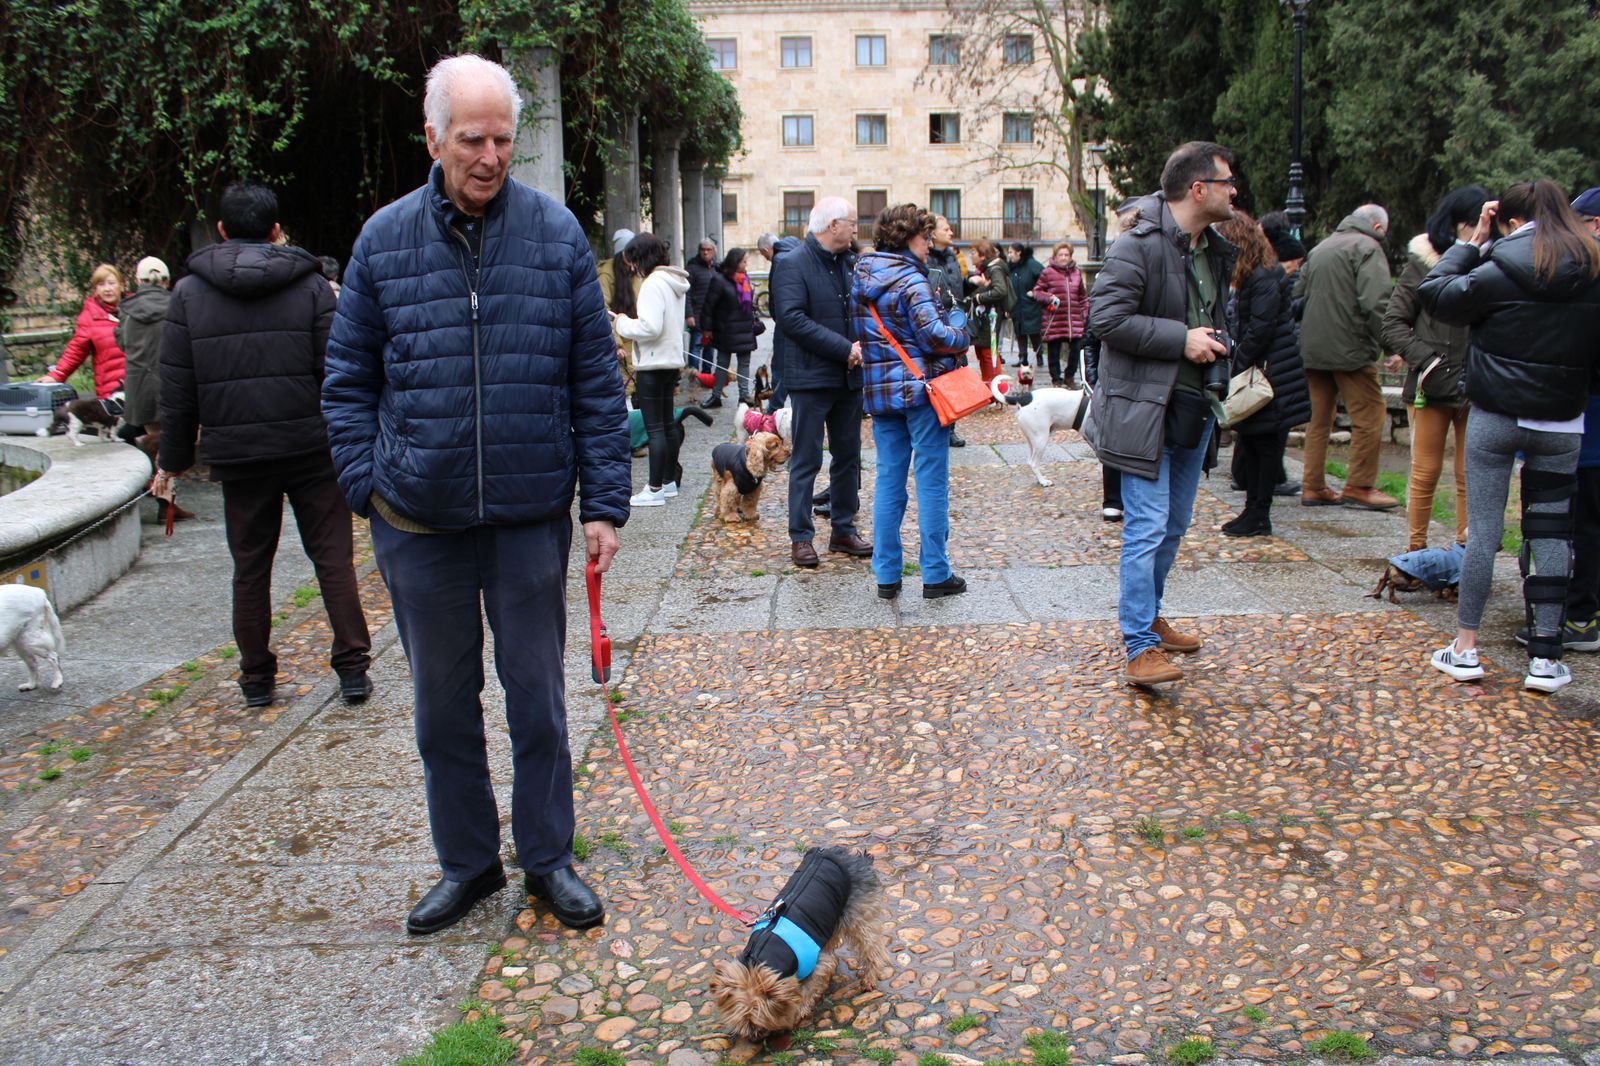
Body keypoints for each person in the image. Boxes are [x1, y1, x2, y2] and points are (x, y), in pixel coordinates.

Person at [321, 54, 629, 936]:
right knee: (441, 711)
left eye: (502, 138)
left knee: (537, 699)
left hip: (530, 518)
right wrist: (366, 486)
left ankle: (548, 858)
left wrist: (603, 502)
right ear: (434, 139)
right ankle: (467, 865)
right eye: (472, 139)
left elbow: (593, 383)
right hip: (418, 522)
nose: (490, 156)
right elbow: (346, 381)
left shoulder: (556, 234)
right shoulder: (383, 241)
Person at [155, 180, 371, 709]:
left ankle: (256, 678)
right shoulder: (312, 287)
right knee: (333, 560)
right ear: (276, 231)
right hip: (310, 446)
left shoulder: (187, 293)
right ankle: (352, 668)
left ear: (222, 230)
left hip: (239, 454)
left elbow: (177, 387)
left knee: (250, 566)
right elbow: (337, 371)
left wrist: (173, 461)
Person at [1419, 180, 1600, 694]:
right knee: (1552, 532)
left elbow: (1434, 294)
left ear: (1505, 218)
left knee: (1483, 528)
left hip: (1495, 413)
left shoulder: (1498, 266)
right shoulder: (1593, 267)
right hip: (1562, 419)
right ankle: (1545, 658)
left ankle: (1466, 648)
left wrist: (1473, 241)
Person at [1081, 141, 1237, 687]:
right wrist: (1182, 340)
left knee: (1172, 527)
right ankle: (1139, 645)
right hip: (1144, 412)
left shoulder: (1213, 248)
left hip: (1194, 410)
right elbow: (1105, 318)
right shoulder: (1138, 245)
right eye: (1226, 182)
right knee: (1146, 528)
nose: (1233, 191)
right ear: (1198, 188)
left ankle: (1149, 616)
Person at [852, 203, 972, 599]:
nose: (927, 244)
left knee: (888, 480)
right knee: (931, 481)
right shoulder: (911, 280)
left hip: (883, 395)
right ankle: (935, 572)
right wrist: (960, 327)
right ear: (907, 238)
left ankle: (887, 573)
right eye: (923, 237)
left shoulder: (864, 277)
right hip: (923, 393)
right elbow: (935, 337)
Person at [1381, 185, 1487, 551]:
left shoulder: (1491, 262)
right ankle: (1415, 553)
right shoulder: (1423, 263)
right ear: (1459, 224)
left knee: (1470, 475)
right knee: (1425, 472)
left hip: (1479, 383)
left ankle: (1465, 555)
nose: (1481, 231)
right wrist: (1429, 361)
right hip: (1432, 384)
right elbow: (1393, 322)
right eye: (1475, 223)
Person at [771, 197, 871, 568]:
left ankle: (843, 529)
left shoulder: (850, 262)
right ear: (833, 225)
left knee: (848, 458)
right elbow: (792, 319)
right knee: (807, 458)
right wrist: (845, 348)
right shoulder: (791, 264)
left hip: (849, 379)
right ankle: (801, 536)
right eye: (852, 223)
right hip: (812, 378)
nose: (856, 229)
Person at [1294, 203, 1399, 511]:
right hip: (1350, 348)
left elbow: (1298, 293)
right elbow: (1376, 303)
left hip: (1314, 347)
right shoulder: (1368, 248)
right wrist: (1392, 346)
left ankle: (1312, 485)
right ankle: (1360, 485)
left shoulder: (1321, 248)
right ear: (1377, 227)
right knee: (1370, 414)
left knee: (1318, 419)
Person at [1216, 210, 1310, 537]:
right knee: (1255, 444)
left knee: (1266, 446)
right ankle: (1252, 510)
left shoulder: (1264, 276)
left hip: (1271, 373)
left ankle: (1259, 514)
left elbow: (1260, 328)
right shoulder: (1255, 274)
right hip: (1264, 369)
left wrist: (1237, 363)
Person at [612, 233, 690, 507]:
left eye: (633, 261)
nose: (632, 268)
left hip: (653, 364)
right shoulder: (673, 281)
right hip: (670, 362)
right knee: (667, 425)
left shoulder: (652, 283)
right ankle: (668, 482)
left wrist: (622, 323)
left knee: (655, 428)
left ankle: (654, 488)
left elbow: (649, 327)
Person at [38, 264, 126, 398]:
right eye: (101, 284)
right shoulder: (89, 317)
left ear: (121, 285)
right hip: (111, 393)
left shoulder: (137, 309)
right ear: (96, 289)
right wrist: (57, 375)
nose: (107, 289)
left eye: (111, 283)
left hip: (140, 387)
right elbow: (75, 351)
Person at [926, 215, 970, 447]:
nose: (951, 233)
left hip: (957, 323)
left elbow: (958, 286)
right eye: (946, 229)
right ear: (933, 234)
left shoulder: (953, 257)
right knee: (940, 375)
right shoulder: (926, 259)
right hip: (938, 323)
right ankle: (939, 424)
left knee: (957, 374)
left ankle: (951, 426)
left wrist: (972, 282)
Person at [701, 247, 764, 407]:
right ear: (735, 262)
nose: (745, 264)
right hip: (725, 330)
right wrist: (707, 329)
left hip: (744, 328)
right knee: (722, 363)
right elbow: (709, 306)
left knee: (744, 363)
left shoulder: (744, 278)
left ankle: (744, 396)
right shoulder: (719, 279)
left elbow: (749, 304)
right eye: (743, 261)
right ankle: (716, 396)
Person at [1030, 242, 1089, 386]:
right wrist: (1049, 297)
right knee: (1053, 352)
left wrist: (1085, 313)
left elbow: (1082, 296)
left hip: (1074, 320)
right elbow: (1036, 292)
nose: (1063, 258)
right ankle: (1056, 379)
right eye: (1060, 255)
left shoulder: (1076, 273)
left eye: (1066, 255)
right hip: (1055, 319)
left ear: (1070, 256)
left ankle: (1070, 377)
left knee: (1075, 350)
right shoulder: (1048, 272)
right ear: (1055, 256)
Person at [759, 231, 801, 414]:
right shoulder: (798, 252)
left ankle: (773, 410)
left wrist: (778, 317)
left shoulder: (779, 259)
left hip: (786, 321)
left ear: (767, 249)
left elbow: (776, 294)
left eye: (763, 255)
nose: (766, 258)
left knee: (781, 366)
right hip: (799, 318)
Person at [965, 238, 1013, 383]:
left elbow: (1000, 290)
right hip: (983, 318)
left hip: (990, 318)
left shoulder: (995, 269)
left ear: (982, 255)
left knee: (989, 354)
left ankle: (997, 390)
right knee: (982, 353)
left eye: (973, 252)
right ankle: (989, 388)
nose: (970, 255)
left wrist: (978, 297)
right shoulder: (985, 269)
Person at [1007, 242, 1044, 372]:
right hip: (1017, 306)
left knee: (1034, 332)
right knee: (1020, 332)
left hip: (1031, 304)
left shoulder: (1032, 265)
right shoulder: (1012, 268)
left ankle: (1039, 355)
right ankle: (1023, 358)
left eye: (1011, 252)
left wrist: (1035, 292)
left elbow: (1044, 279)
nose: (1009, 255)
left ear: (1019, 252)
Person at [685, 238, 718, 375]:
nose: (705, 252)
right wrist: (689, 314)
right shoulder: (692, 268)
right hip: (697, 315)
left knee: (710, 347)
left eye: (708, 249)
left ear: (713, 252)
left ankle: (706, 375)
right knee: (696, 347)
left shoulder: (717, 268)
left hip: (712, 317)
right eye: (703, 249)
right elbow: (686, 293)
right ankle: (694, 376)